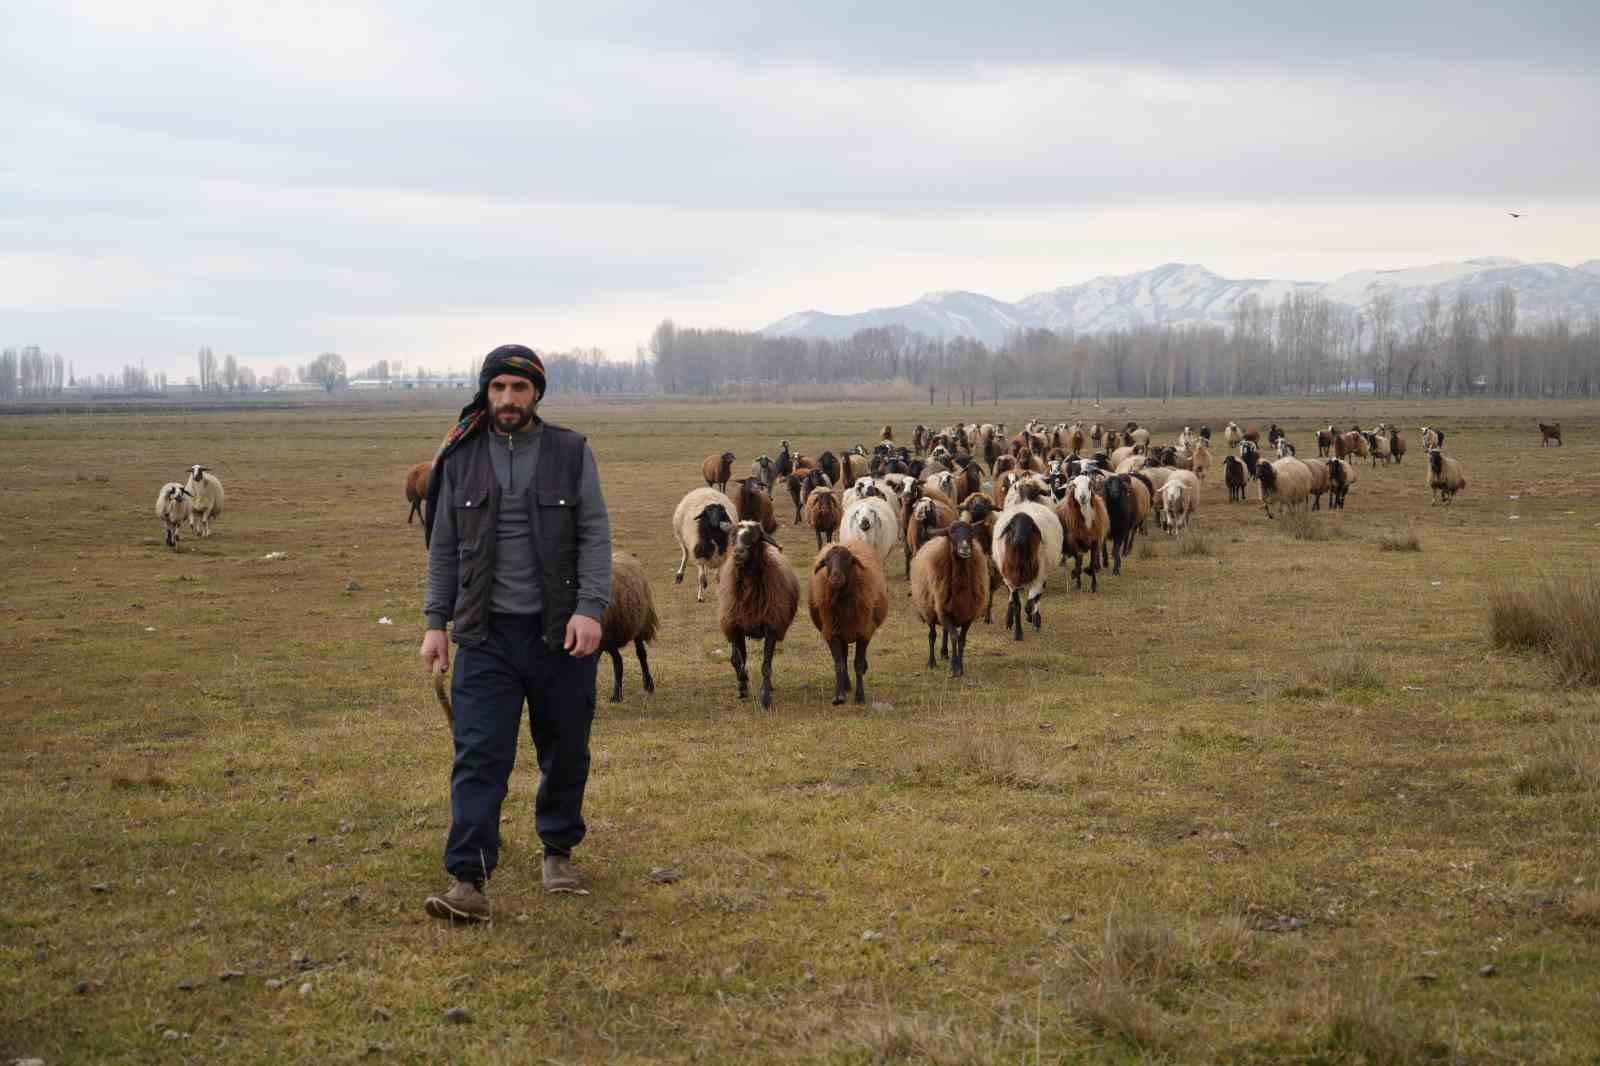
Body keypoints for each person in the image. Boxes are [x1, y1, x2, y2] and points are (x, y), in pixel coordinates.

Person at [418, 344, 612, 922]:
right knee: (479, 755)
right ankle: (468, 881)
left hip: (560, 635)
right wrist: (436, 623)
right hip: (484, 636)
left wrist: (591, 609)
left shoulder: (570, 451)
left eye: (519, 389)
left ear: (536, 395)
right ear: (487, 392)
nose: (508, 399)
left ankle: (558, 851)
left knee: (566, 750)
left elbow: (595, 535)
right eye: (499, 388)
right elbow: (443, 548)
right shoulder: (459, 457)